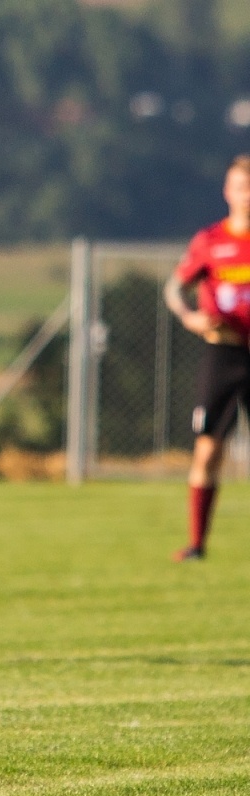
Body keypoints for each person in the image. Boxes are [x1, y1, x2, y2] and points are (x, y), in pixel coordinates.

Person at [164, 154, 250, 562]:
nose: (247, 196)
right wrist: (191, 318)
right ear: (227, 192)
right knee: (208, 449)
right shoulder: (211, 241)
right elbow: (174, 288)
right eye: (241, 188)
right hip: (224, 354)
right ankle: (197, 544)